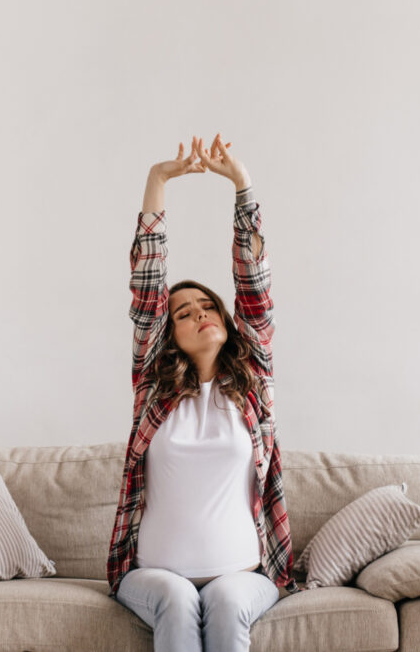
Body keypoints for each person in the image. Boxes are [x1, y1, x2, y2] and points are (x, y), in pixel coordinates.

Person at [107, 134, 299, 652]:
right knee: (179, 599)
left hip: (243, 573)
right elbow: (147, 291)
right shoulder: (153, 390)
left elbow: (254, 288)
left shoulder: (253, 385)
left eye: (208, 306)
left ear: (226, 321)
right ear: (169, 335)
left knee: (223, 601)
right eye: (184, 313)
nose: (199, 314)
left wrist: (242, 185)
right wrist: (158, 178)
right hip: (154, 574)